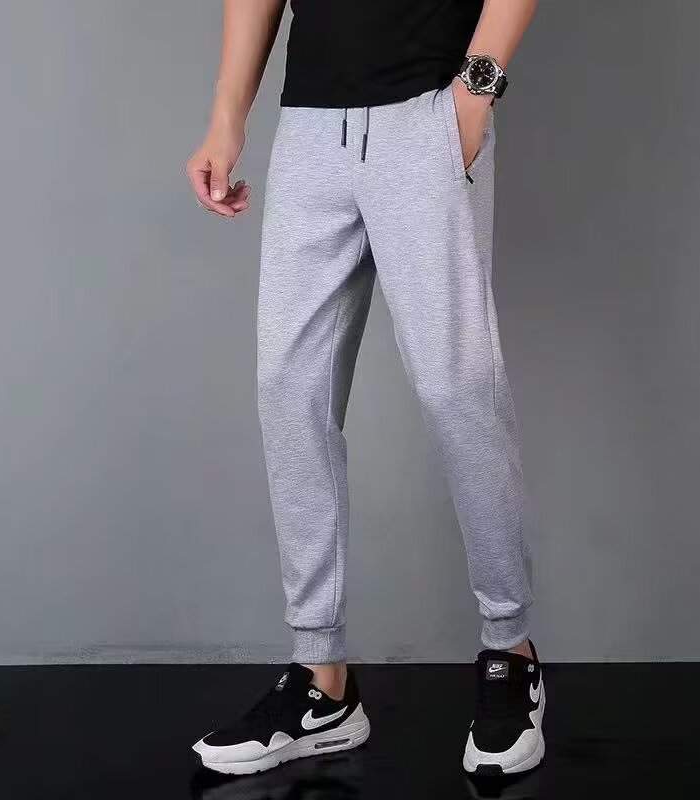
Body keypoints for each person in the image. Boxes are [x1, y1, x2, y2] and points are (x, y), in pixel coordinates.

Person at [188, 0, 542, 777]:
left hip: (429, 112)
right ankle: (323, 682)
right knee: (289, 391)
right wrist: (227, 116)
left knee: (457, 388)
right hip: (311, 128)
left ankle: (509, 651)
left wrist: (474, 94)